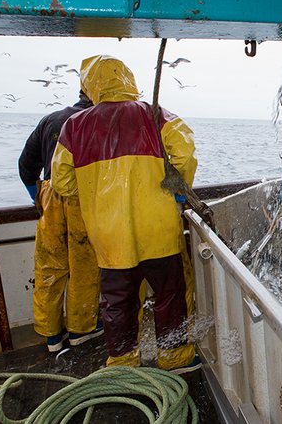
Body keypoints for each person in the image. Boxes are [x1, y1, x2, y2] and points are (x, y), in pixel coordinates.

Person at [50, 55, 198, 370]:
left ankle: (122, 361)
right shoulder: (156, 115)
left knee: (117, 302)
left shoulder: (74, 126)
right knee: (169, 296)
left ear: (91, 86)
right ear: (128, 79)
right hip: (158, 229)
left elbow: (61, 181)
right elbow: (184, 153)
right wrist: (174, 186)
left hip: (108, 235)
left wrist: (93, 199)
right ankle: (174, 357)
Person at [18, 91, 103, 353]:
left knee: (49, 267)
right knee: (83, 267)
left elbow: (25, 165)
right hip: (83, 198)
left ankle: (52, 336)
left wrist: (38, 198)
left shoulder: (49, 119)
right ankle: (81, 330)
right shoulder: (96, 122)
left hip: (49, 195)